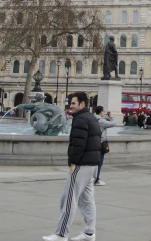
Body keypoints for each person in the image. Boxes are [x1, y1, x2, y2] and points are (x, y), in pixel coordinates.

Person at [43, 92, 100, 241]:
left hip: (81, 164)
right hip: (92, 164)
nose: (70, 106)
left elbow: (78, 143)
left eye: (73, 103)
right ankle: (89, 232)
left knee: (68, 199)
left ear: (82, 104)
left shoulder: (80, 119)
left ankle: (61, 234)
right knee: (87, 200)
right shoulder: (91, 117)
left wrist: (73, 162)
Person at [94, 106, 115, 186]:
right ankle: (96, 180)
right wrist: (112, 117)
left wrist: (107, 118)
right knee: (99, 162)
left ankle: (93, 178)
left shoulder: (94, 118)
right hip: (101, 144)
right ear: (101, 112)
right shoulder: (101, 121)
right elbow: (113, 124)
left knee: (94, 163)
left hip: (94, 142)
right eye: (103, 111)